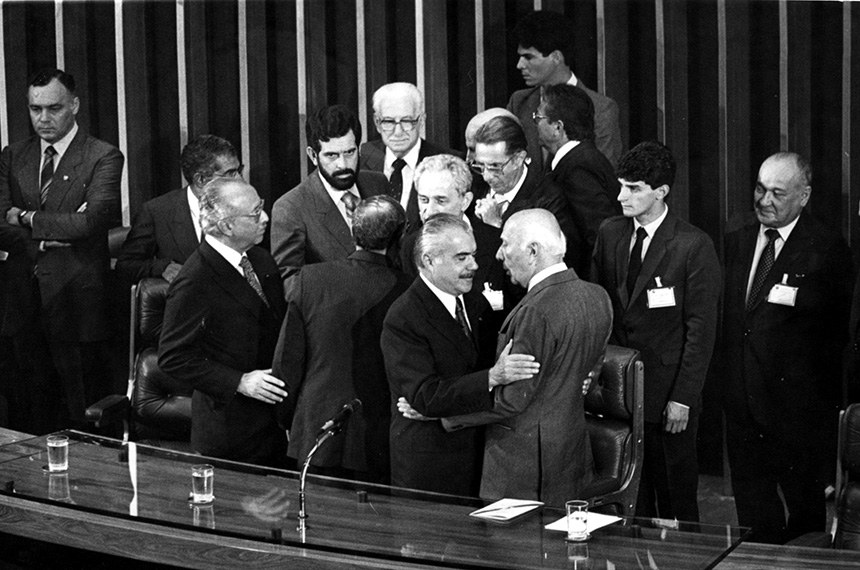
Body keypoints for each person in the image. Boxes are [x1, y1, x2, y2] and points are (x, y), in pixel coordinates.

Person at [422, 209, 612, 506]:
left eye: (506, 245)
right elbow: (590, 372)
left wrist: (443, 415)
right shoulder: (597, 296)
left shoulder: (535, 311)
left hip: (524, 468)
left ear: (533, 251)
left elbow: (512, 401)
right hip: (571, 452)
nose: (498, 255)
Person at [721, 152, 853, 543]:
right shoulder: (736, 240)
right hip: (743, 402)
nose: (765, 201)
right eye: (760, 189)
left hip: (797, 412)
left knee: (805, 518)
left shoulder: (827, 249)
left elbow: (834, 340)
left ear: (804, 195)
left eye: (778, 193)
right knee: (754, 515)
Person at [591, 141, 721, 522]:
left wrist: (683, 398)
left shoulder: (692, 246)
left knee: (676, 497)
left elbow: (701, 332)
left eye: (633, 189)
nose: (621, 196)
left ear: (661, 192)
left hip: (667, 397)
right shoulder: (610, 233)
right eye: (621, 185)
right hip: (617, 392)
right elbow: (601, 308)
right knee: (631, 499)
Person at [0, 68, 123, 432]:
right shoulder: (13, 155)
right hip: (22, 301)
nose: (43, 118)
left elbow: (93, 222)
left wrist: (24, 216)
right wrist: (46, 235)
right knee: (26, 413)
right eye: (35, 109)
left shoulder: (103, 156)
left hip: (78, 303)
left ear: (75, 105)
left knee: (82, 411)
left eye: (53, 108)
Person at [381, 214, 540, 496]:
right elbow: (425, 397)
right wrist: (492, 377)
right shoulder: (404, 317)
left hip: (479, 457)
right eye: (462, 258)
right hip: (431, 466)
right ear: (429, 261)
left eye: (474, 255)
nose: (474, 266)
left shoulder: (474, 301)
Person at [272, 195, 411, 483]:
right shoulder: (409, 290)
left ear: (352, 230)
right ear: (400, 235)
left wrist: (289, 419)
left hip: (316, 430)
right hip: (380, 437)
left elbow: (287, 361)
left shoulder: (310, 280)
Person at [158, 178, 288, 467]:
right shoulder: (194, 280)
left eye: (262, 208)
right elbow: (173, 357)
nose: (265, 218)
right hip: (230, 430)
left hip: (272, 423)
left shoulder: (261, 260)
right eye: (255, 214)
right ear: (227, 226)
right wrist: (238, 382)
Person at [470, 115, 576, 314]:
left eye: (495, 167)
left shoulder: (547, 198)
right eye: (480, 166)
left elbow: (547, 271)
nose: (486, 176)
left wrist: (496, 228)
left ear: (518, 158)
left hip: (523, 310)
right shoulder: (474, 187)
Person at [270, 104, 387, 281]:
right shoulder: (290, 208)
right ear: (313, 156)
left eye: (350, 152)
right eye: (332, 156)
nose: (343, 164)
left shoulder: (378, 183)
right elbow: (291, 284)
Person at [117, 134, 242, 284]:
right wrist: (162, 267)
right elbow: (126, 266)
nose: (240, 180)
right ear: (201, 180)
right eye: (231, 174)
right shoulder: (157, 212)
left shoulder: (246, 208)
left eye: (239, 171)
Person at [507, 10, 622, 169]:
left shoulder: (601, 109)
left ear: (556, 57)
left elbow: (605, 174)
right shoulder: (519, 102)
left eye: (528, 57)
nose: (519, 65)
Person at [537, 83, 620, 277]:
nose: (535, 123)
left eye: (538, 118)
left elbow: (599, 237)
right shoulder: (570, 160)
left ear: (558, 127)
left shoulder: (579, 166)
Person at [359, 82, 458, 232]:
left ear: (421, 121)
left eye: (406, 121)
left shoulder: (448, 162)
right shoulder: (361, 158)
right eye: (389, 121)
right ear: (377, 123)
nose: (398, 131)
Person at [398, 154, 474, 277]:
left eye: (441, 201)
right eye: (424, 200)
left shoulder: (493, 243)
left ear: (465, 201)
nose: (430, 211)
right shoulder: (408, 248)